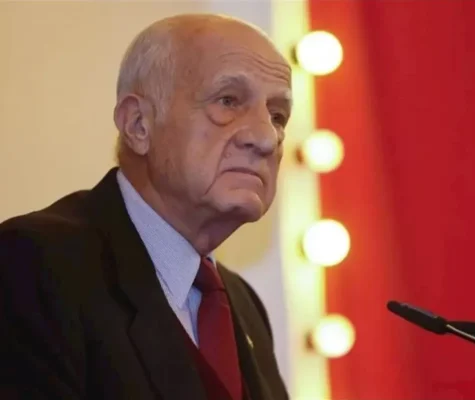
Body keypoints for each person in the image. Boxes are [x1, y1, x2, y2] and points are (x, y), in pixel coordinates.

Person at [0, 13, 292, 400]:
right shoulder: (32, 265)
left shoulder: (244, 303)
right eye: (228, 101)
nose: (266, 138)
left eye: (277, 116)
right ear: (139, 124)